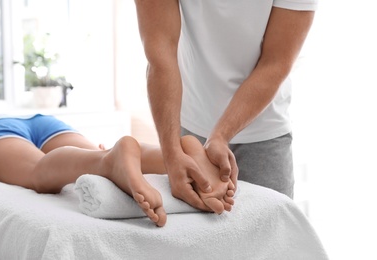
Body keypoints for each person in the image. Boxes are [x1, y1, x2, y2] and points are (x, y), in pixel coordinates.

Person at [134, 0, 317, 208]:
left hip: (264, 137)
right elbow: (161, 56)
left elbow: (275, 64)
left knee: (270, 234)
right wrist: (171, 153)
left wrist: (221, 135)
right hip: (190, 128)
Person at [0, 114, 234, 227]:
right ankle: (176, 155)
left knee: (38, 173)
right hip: (49, 122)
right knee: (96, 151)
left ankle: (107, 164)